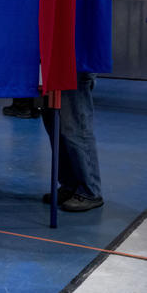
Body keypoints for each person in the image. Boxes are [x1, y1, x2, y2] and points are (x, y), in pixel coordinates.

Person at [41, 72, 103, 211]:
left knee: (75, 126)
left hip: (76, 64)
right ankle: (70, 185)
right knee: (54, 124)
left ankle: (90, 190)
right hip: (53, 64)